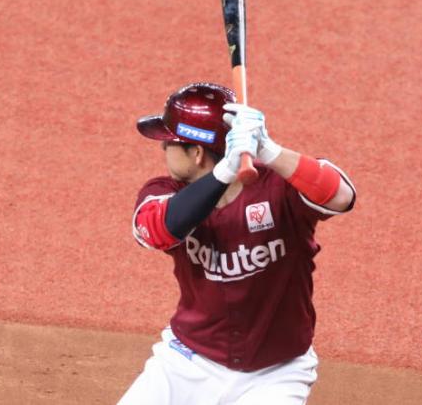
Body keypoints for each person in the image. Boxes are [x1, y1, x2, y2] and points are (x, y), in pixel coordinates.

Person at [119, 82, 356, 405]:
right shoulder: (165, 192)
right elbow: (157, 230)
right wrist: (224, 172)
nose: (163, 148)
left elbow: (342, 197)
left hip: (276, 375)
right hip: (186, 362)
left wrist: (270, 151)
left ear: (196, 153)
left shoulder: (279, 188)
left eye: (170, 141)